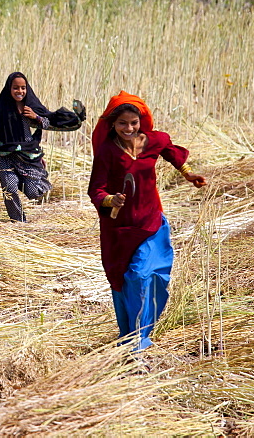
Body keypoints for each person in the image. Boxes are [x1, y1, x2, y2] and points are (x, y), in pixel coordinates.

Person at [87, 91, 206, 352]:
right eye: (122, 123)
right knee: (125, 279)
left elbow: (169, 149)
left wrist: (187, 173)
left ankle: (141, 336)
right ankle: (129, 335)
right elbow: (96, 188)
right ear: (112, 125)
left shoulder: (152, 141)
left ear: (141, 121)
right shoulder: (107, 151)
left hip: (150, 223)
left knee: (147, 277)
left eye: (133, 122)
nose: (128, 128)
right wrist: (110, 200)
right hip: (119, 229)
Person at [0, 72, 85, 222]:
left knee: (33, 192)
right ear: (9, 88)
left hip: (28, 156)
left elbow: (49, 121)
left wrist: (36, 118)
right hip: (5, 155)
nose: (19, 91)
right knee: (9, 188)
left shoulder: (31, 107)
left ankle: (29, 180)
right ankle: (19, 222)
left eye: (23, 88)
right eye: (15, 88)